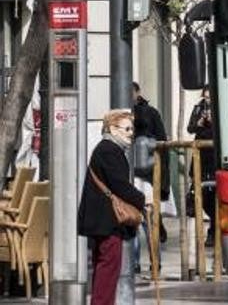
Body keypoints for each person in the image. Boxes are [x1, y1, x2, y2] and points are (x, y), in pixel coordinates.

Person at [78, 109, 146, 305]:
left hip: (103, 220)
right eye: (127, 128)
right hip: (106, 221)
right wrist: (142, 200)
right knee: (108, 269)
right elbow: (119, 184)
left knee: (105, 267)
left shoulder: (108, 149)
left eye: (132, 128)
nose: (131, 132)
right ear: (112, 129)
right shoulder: (109, 150)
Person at [131, 82, 169, 260]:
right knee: (136, 220)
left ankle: (154, 262)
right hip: (132, 174)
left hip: (147, 174)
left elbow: (162, 141)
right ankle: (140, 262)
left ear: (138, 92)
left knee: (147, 218)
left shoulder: (150, 113)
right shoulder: (121, 114)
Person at [186, 88, 216, 243]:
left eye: (210, 98)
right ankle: (213, 227)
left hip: (215, 156)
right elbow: (190, 128)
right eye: (205, 98)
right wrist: (199, 123)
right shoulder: (198, 108)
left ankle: (214, 230)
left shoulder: (220, 107)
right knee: (202, 195)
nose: (207, 101)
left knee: (215, 194)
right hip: (201, 156)